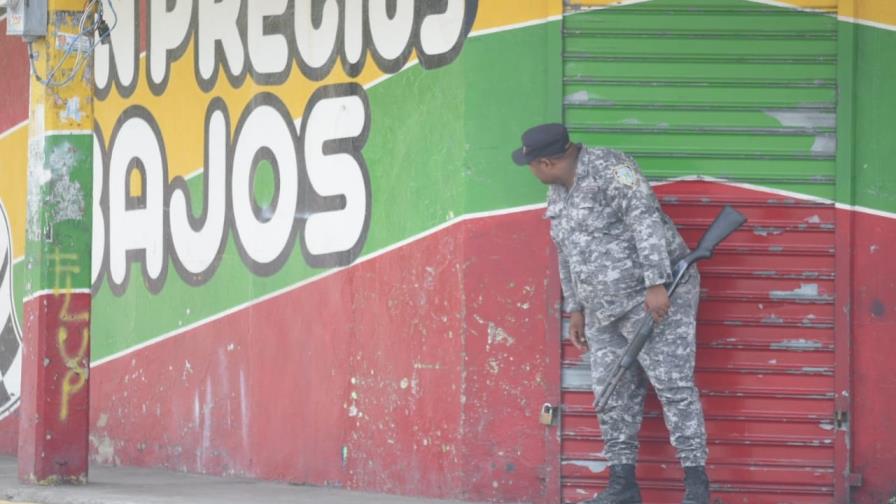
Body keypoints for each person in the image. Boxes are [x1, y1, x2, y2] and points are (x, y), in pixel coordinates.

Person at [512, 123, 710, 504]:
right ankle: (623, 485)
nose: (531, 171)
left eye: (531, 164)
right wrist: (576, 308)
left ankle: (696, 487)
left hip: (653, 298)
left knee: (674, 388)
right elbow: (565, 250)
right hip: (602, 310)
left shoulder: (611, 168)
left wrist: (656, 282)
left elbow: (645, 218)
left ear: (548, 162)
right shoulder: (557, 191)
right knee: (612, 393)